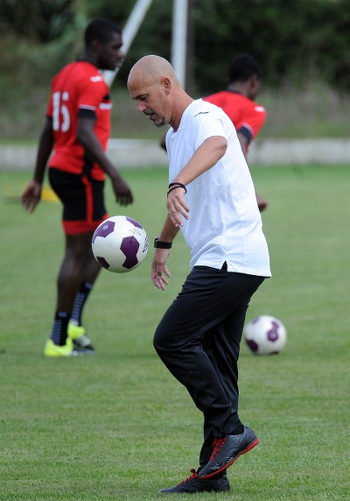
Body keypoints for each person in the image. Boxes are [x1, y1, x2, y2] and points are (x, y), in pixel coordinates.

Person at [127, 55, 271, 494]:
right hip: (232, 259)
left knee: (171, 338)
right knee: (221, 364)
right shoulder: (176, 136)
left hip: (228, 257)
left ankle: (231, 428)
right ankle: (214, 474)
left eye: (143, 97)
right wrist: (163, 245)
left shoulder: (205, 116)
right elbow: (183, 197)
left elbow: (217, 148)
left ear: (167, 84)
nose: (140, 107)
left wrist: (177, 183)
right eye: (134, 101)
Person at [21, 19, 133, 357]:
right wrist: (114, 174)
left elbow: (48, 131)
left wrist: (37, 179)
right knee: (78, 252)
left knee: (100, 247)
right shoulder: (93, 81)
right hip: (81, 174)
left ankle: (72, 323)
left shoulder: (64, 76)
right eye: (115, 47)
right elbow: (84, 133)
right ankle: (58, 338)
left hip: (64, 170)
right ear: (96, 45)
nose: (120, 54)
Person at [204, 53, 268, 211]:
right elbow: (239, 142)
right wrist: (250, 192)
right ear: (254, 81)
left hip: (195, 190)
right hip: (230, 192)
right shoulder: (254, 110)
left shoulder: (203, 103)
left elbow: (166, 141)